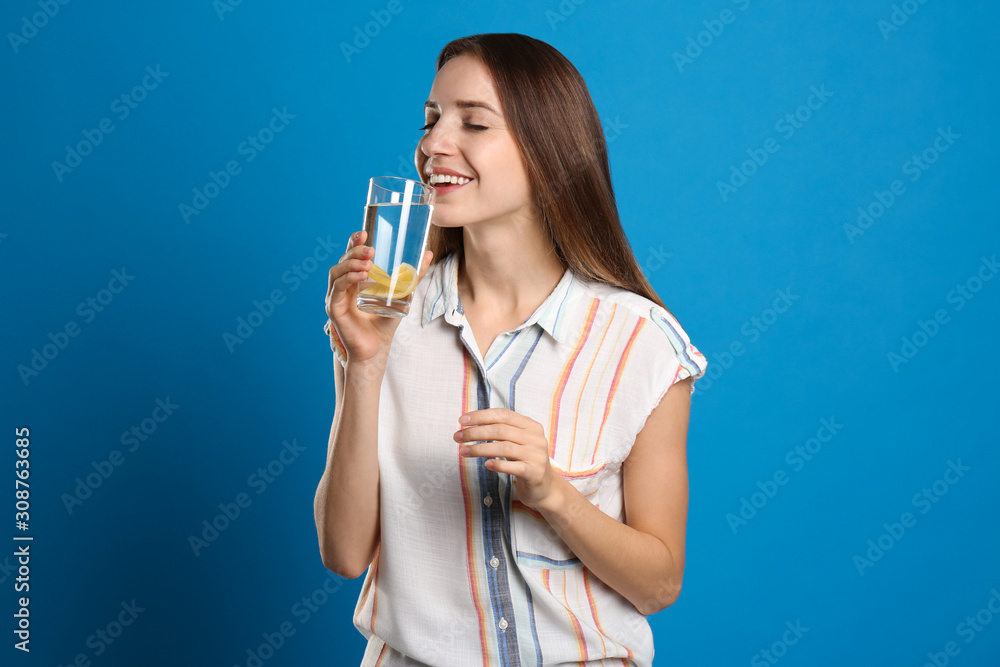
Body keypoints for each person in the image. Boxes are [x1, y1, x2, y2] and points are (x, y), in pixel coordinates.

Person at [315, 33, 708, 667]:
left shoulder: (641, 342)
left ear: (547, 152)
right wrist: (362, 365)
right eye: (431, 119)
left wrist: (553, 491)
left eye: (473, 123)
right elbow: (343, 553)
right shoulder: (387, 314)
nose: (434, 144)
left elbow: (658, 584)